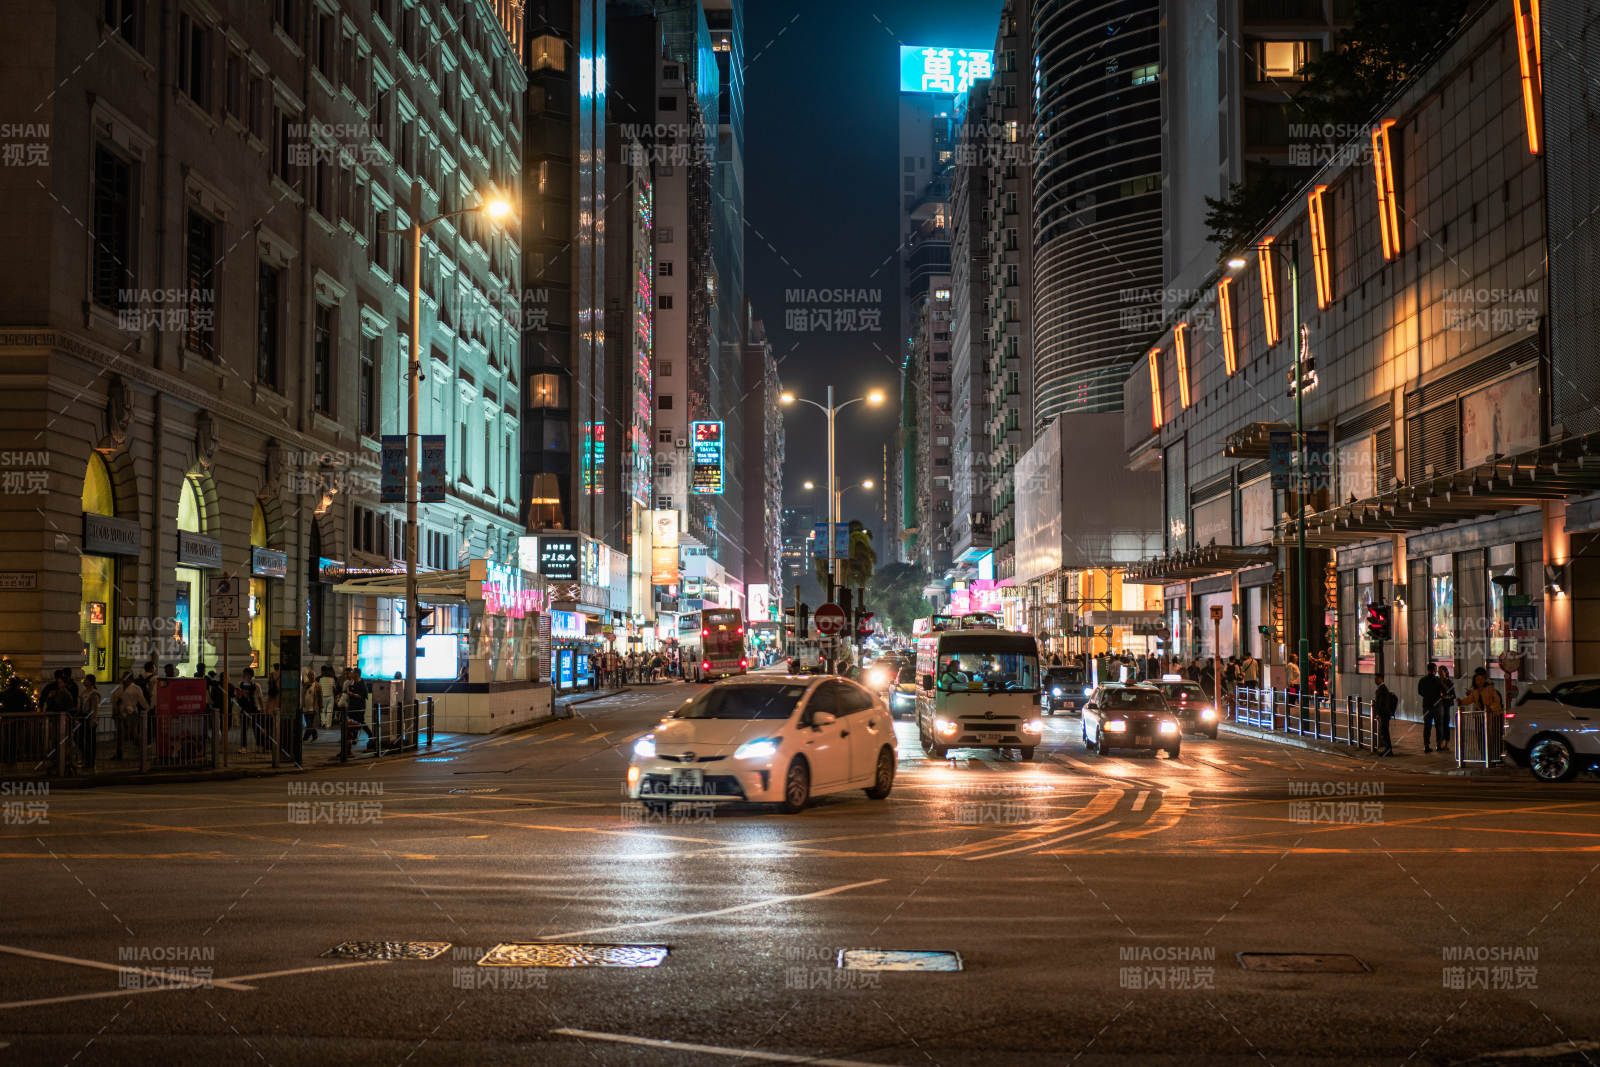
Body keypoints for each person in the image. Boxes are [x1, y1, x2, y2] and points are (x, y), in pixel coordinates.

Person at [111, 672, 149, 760]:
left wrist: (147, 709)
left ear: (130, 679)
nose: (123, 679)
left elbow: (142, 700)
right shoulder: (119, 688)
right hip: (120, 713)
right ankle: (119, 753)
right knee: (120, 734)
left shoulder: (136, 688)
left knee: (133, 733)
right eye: (123, 677)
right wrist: (115, 710)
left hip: (131, 713)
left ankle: (142, 750)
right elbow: (113, 699)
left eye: (125, 678)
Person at [1418, 661, 1444, 753]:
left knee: (1427, 726)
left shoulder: (1422, 680)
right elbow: (1442, 691)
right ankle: (1438, 745)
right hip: (1436, 706)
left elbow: (1420, 692)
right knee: (1438, 726)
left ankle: (1426, 745)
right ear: (1434, 670)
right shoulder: (1437, 680)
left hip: (1426, 706)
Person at [75, 674, 101, 771]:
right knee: (79, 738)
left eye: (86, 680)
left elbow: (94, 708)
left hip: (89, 719)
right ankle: (85, 757)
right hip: (82, 718)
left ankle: (90, 761)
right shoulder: (83, 693)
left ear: (90, 682)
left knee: (90, 741)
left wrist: (93, 719)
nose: (84, 681)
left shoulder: (93, 694)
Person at [237, 667, 264, 751]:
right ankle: (243, 747)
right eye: (244, 674)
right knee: (244, 729)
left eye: (246, 674)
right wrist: (242, 694)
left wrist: (262, 709)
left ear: (250, 675)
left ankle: (259, 746)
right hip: (245, 708)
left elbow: (260, 698)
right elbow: (238, 697)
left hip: (255, 709)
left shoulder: (256, 685)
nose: (244, 676)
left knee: (256, 728)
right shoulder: (240, 685)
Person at [1373, 673, 1397, 756]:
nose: (1375, 680)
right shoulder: (1382, 689)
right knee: (1384, 732)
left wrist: (1378, 714)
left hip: (1384, 714)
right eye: (1375, 678)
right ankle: (1388, 750)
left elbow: (1381, 703)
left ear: (1381, 679)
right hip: (1385, 714)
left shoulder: (1383, 689)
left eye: (1377, 678)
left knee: (1384, 732)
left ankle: (1388, 750)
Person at [1436, 666, 1455, 748]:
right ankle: (1440, 742)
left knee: (1445, 723)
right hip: (1438, 705)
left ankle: (1446, 742)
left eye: (1441, 671)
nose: (1440, 673)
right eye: (1439, 671)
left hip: (1446, 705)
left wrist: (1446, 697)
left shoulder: (1449, 682)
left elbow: (1453, 695)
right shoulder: (1436, 681)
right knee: (1439, 724)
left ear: (1445, 672)